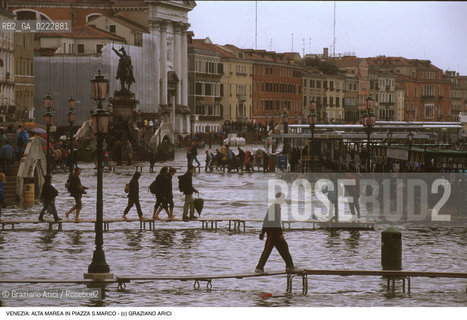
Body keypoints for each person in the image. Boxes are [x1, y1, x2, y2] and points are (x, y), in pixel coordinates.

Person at [255, 192, 298, 274]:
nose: (283, 200)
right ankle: (259, 268)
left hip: (275, 232)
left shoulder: (276, 207)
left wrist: (263, 232)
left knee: (284, 247)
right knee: (267, 250)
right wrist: (263, 232)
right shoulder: (274, 207)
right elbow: (273, 221)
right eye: (283, 199)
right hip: (272, 232)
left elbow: (267, 220)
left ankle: (289, 266)